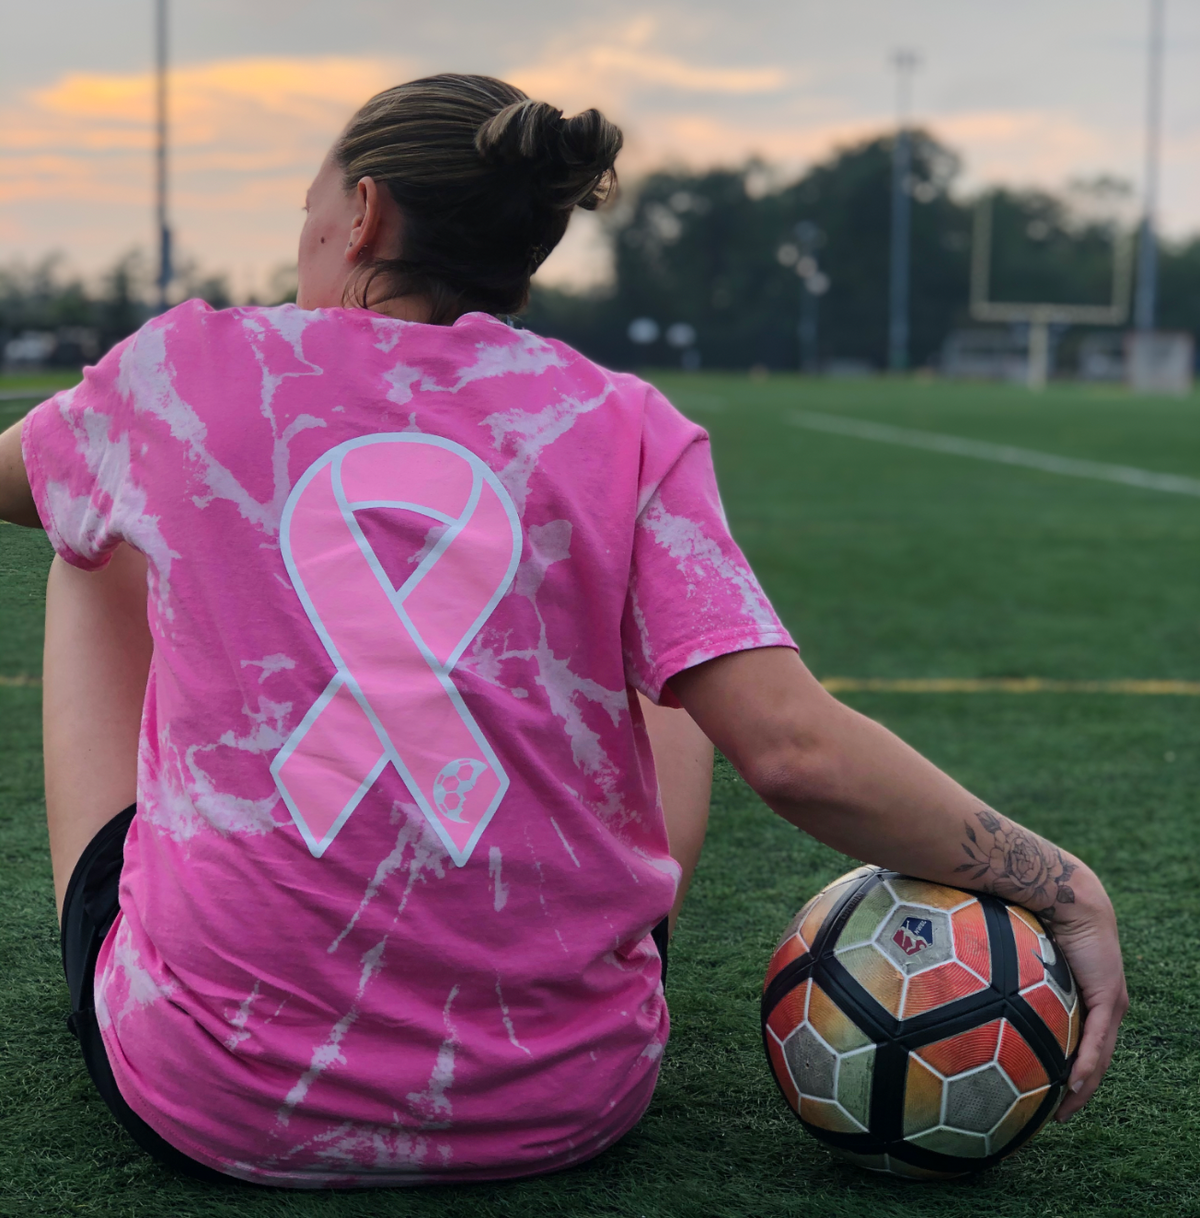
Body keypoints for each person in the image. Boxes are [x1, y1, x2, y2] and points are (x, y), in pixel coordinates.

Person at [0, 73, 1126, 1189]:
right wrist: (1062, 881)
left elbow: (19, 477)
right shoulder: (620, 421)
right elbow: (794, 750)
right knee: (674, 648)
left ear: (365, 214)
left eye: (309, 209)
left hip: (224, 1098)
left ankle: (188, 961)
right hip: (564, 1099)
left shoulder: (184, 373)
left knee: (83, 530)